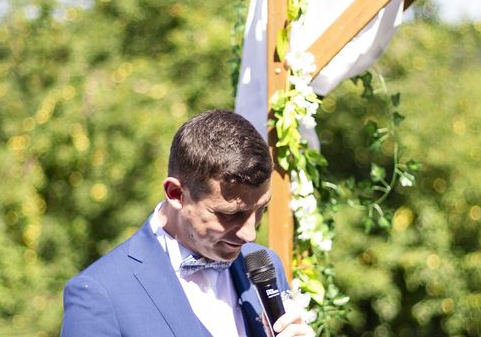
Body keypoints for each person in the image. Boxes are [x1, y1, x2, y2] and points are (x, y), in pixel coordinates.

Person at [61, 109, 313, 336]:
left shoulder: (262, 265)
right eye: (230, 214)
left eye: (261, 209)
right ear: (176, 194)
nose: (249, 235)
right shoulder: (99, 294)